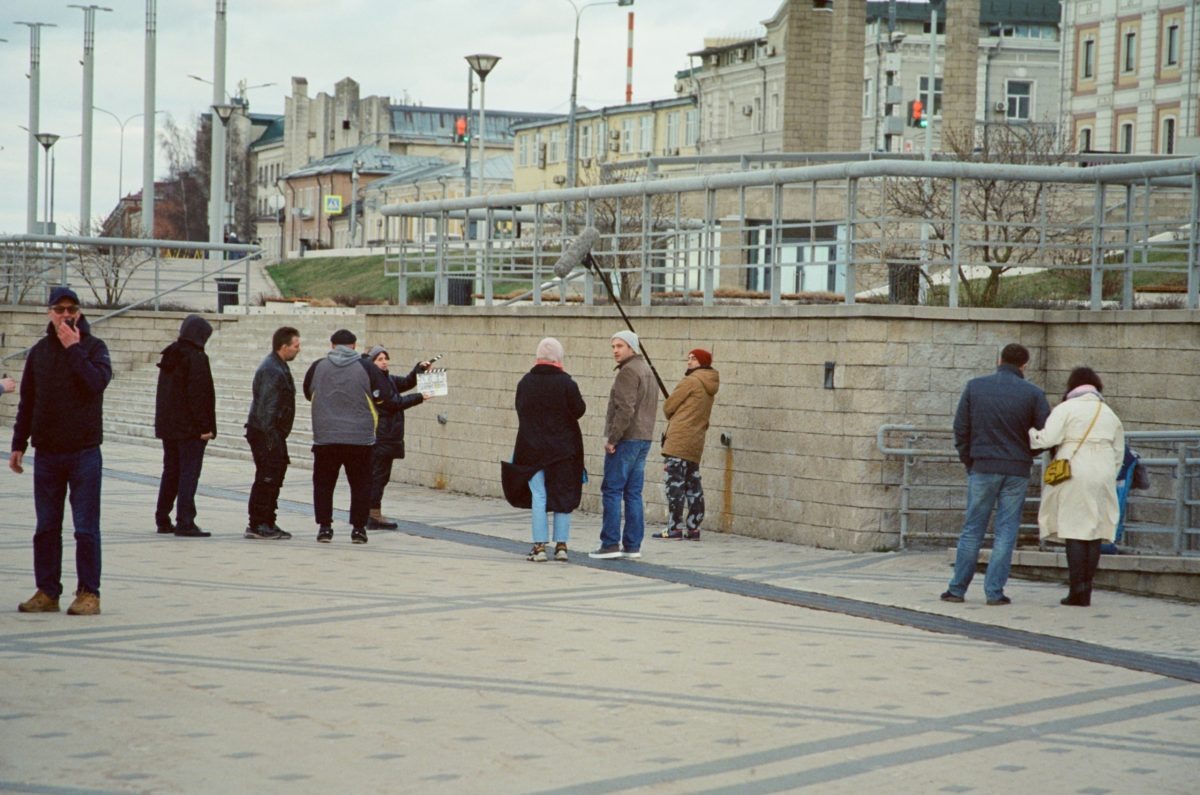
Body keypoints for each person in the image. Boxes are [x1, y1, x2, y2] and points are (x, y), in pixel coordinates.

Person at [10, 287, 112, 615]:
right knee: (46, 527)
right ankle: (47, 590)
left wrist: (73, 349)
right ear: (50, 313)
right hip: (48, 453)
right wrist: (18, 444)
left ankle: (88, 593)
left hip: (84, 452)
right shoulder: (39, 353)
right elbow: (28, 402)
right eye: (59, 309)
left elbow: (97, 382)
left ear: (79, 313)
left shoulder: (94, 348)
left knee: (85, 528)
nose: (66, 315)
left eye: (72, 309)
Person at [941, 343, 1050, 606]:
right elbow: (1045, 435)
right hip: (1016, 469)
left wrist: (970, 460)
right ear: (1025, 365)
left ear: (999, 359)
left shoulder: (975, 386)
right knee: (1006, 530)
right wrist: (1027, 455)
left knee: (972, 529)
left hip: (982, 466)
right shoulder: (1033, 393)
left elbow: (960, 428)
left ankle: (957, 590)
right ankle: (994, 592)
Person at [1029, 367, 1124, 607]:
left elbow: (1047, 439)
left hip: (1075, 470)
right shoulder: (1109, 413)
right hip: (1102, 471)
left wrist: (1029, 431)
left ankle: (1076, 590)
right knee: (1093, 531)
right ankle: (1087, 590)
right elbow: (1118, 452)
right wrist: (1107, 471)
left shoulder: (1066, 408)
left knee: (1074, 529)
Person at [513, 338, 586, 562]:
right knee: (563, 495)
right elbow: (579, 410)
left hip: (532, 449)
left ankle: (539, 547)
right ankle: (562, 546)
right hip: (563, 450)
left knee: (539, 495)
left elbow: (520, 409)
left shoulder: (525, 382)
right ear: (559, 358)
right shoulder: (567, 384)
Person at [589, 330, 659, 560]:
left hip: (626, 439)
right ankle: (632, 545)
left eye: (620, 346)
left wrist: (612, 439)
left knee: (612, 490)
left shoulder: (628, 372)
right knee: (633, 493)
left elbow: (625, 409)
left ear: (632, 347)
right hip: (644, 437)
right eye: (613, 346)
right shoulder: (647, 370)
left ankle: (610, 544)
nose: (615, 351)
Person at [304, 328, 375, 544]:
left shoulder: (318, 366)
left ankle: (325, 528)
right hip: (360, 439)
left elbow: (309, 392)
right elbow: (379, 394)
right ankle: (359, 529)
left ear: (332, 345)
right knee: (360, 485)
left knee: (324, 484)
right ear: (354, 345)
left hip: (326, 437)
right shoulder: (365, 366)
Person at [154, 314, 217, 538]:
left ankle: (163, 518)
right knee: (189, 473)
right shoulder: (196, 357)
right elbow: (199, 395)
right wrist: (204, 427)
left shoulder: (172, 352)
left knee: (171, 471)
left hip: (169, 426)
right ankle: (185, 521)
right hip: (189, 428)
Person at [652, 348, 719, 541]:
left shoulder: (690, 381)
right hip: (695, 441)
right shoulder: (710, 384)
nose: (689, 362)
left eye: (693, 359)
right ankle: (693, 527)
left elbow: (669, 407)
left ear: (702, 362)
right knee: (693, 485)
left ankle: (674, 528)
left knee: (675, 485)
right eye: (688, 358)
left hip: (679, 440)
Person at [363, 344, 432, 529]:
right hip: (381, 436)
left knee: (381, 476)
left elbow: (407, 382)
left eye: (386, 358)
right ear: (371, 363)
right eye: (379, 359)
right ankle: (372, 515)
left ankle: (371, 513)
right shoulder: (374, 382)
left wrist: (420, 369)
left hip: (389, 436)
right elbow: (393, 403)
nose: (384, 362)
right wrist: (420, 397)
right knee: (378, 476)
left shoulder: (387, 379)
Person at [244, 326, 301, 540]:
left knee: (274, 476)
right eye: (296, 346)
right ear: (283, 346)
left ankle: (268, 520)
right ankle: (258, 523)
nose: (299, 350)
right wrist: (271, 440)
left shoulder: (279, 366)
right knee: (267, 477)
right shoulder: (272, 370)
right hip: (265, 433)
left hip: (272, 433)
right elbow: (266, 410)